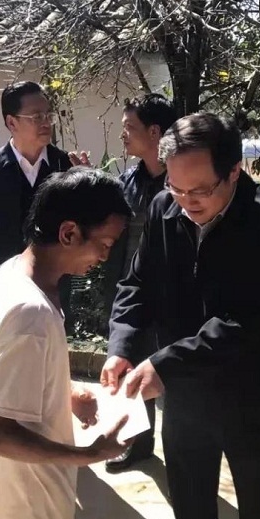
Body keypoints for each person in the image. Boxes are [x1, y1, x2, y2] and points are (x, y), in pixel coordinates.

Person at [102, 112, 260, 519]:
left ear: (234, 171)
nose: (187, 202)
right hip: (187, 399)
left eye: (200, 191)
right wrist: (122, 345)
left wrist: (164, 364)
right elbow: (137, 284)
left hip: (251, 398)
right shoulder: (164, 209)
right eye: (176, 188)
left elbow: (246, 321)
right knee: (191, 511)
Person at [0, 167, 133, 519]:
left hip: (22, 498)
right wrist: (87, 455)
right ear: (68, 233)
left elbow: (12, 378)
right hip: (31, 508)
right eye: (104, 244)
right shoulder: (31, 314)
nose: (104, 257)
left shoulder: (14, 271)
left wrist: (65, 393)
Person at [102, 93, 178, 472]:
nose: (123, 135)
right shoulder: (129, 179)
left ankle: (183, 455)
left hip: (170, 295)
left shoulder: (182, 182)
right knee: (132, 366)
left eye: (129, 127)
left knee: (171, 372)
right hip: (131, 291)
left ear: (154, 132)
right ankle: (139, 443)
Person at [0, 81, 72, 286]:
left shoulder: (65, 166)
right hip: (4, 284)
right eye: (37, 117)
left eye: (48, 115)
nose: (46, 123)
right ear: (12, 122)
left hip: (54, 285)